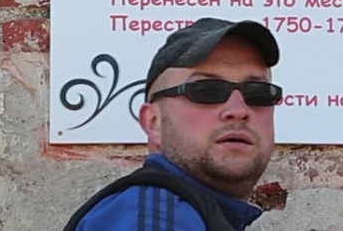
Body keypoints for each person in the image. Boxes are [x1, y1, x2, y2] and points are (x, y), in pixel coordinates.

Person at [63, 17, 282, 231]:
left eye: (258, 93)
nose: (238, 110)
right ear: (153, 122)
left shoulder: (193, 214)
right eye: (206, 91)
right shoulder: (153, 218)